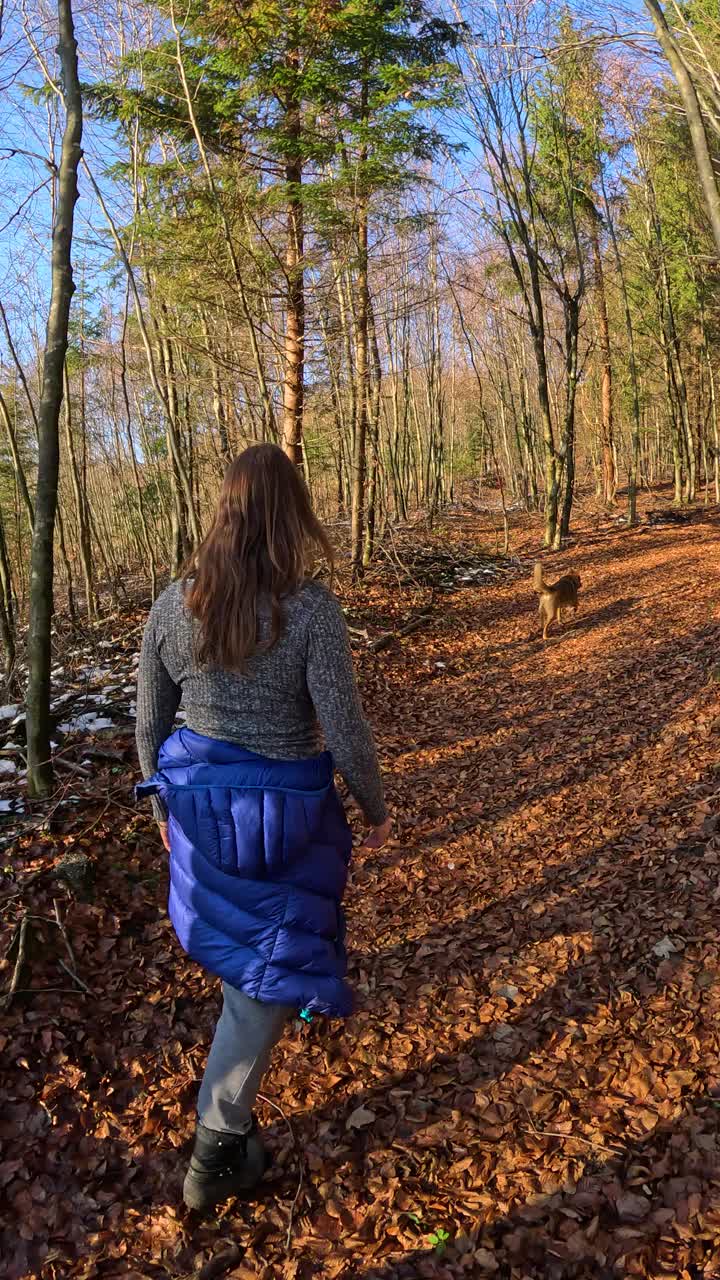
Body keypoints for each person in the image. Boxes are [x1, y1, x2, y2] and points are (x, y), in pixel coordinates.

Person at [135, 444, 390, 1213]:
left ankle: (227, 1133)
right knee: (261, 985)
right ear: (292, 517)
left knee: (246, 967)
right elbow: (343, 727)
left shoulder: (174, 605)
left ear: (223, 512)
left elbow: (148, 724)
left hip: (201, 815)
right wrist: (373, 806)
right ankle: (215, 1153)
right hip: (285, 819)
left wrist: (160, 812)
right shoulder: (310, 609)